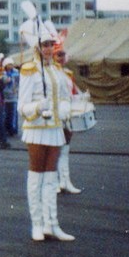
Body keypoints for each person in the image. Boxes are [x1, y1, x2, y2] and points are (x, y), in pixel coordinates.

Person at [17, 3, 75, 242]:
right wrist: (38, 107)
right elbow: (22, 106)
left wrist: (66, 108)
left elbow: (63, 98)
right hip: (36, 129)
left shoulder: (58, 72)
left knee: (51, 177)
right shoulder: (29, 70)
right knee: (37, 174)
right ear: (37, 47)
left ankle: (53, 223)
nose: (49, 48)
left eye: (51, 44)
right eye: (45, 45)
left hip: (55, 129)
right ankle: (37, 223)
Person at [54, 38, 82, 195]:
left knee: (65, 149)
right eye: (59, 55)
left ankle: (66, 181)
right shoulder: (51, 73)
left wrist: (81, 99)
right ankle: (57, 181)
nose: (61, 57)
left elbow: (72, 94)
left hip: (67, 113)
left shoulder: (68, 73)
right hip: (56, 113)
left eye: (63, 54)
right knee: (56, 149)